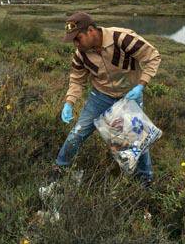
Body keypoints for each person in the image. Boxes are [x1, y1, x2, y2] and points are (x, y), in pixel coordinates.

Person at [55, 12, 161, 187]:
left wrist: (141, 84)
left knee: (137, 140)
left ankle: (145, 179)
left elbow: (153, 57)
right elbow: (77, 79)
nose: (76, 43)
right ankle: (59, 169)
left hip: (129, 97)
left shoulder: (122, 39)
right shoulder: (81, 54)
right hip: (100, 97)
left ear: (90, 31)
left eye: (78, 38)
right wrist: (69, 102)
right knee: (77, 134)